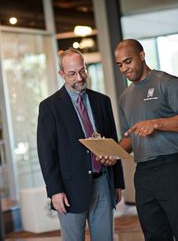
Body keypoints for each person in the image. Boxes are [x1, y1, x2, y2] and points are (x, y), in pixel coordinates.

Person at [37, 49, 125, 241]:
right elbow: (46, 153)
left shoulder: (102, 101)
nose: (80, 77)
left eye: (82, 71)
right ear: (61, 74)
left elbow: (112, 142)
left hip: (103, 183)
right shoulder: (49, 107)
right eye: (72, 73)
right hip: (69, 189)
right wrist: (55, 191)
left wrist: (117, 183)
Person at [114, 39, 178, 241]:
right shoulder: (125, 97)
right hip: (143, 173)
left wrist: (156, 124)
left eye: (128, 61)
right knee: (154, 234)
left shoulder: (167, 82)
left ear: (142, 56)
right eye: (120, 65)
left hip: (172, 167)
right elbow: (129, 139)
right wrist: (112, 153)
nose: (124, 69)